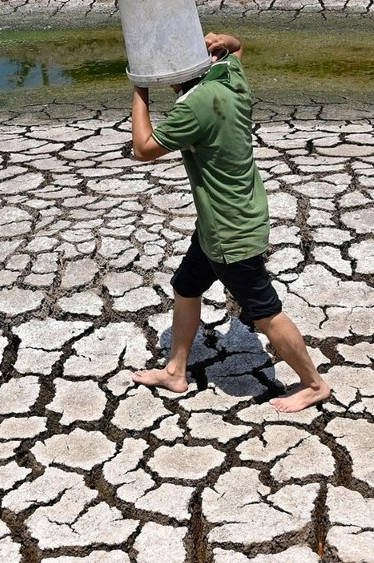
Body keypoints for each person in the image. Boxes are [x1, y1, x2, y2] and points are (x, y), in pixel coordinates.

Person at [128, 32, 331, 413]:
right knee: (186, 287)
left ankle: (314, 384)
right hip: (227, 219)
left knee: (265, 313)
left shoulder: (196, 107)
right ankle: (176, 370)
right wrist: (228, 40)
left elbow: (143, 148)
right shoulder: (229, 77)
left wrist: (140, 88)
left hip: (228, 232)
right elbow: (237, 49)